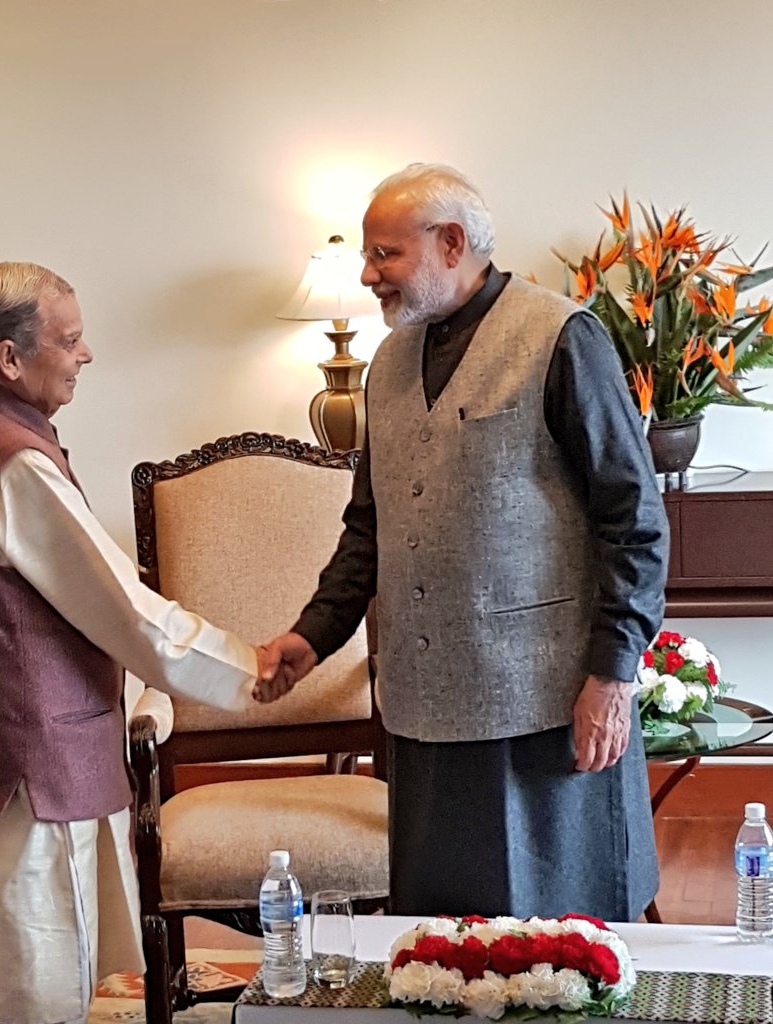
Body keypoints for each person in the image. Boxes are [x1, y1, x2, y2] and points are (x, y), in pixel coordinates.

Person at [262, 163, 669, 921]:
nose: (368, 273)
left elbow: (634, 518)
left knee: (557, 942)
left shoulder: (562, 337)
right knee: (442, 942)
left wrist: (613, 674)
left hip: (543, 709)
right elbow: (370, 526)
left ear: (451, 243)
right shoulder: (387, 363)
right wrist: (313, 636)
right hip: (422, 713)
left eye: (384, 253)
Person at [0, 262, 282, 1024]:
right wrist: (255, 671)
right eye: (69, 339)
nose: (86, 354)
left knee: (6, 988)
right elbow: (128, 616)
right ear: (10, 358)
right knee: (35, 997)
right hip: (29, 779)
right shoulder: (13, 466)